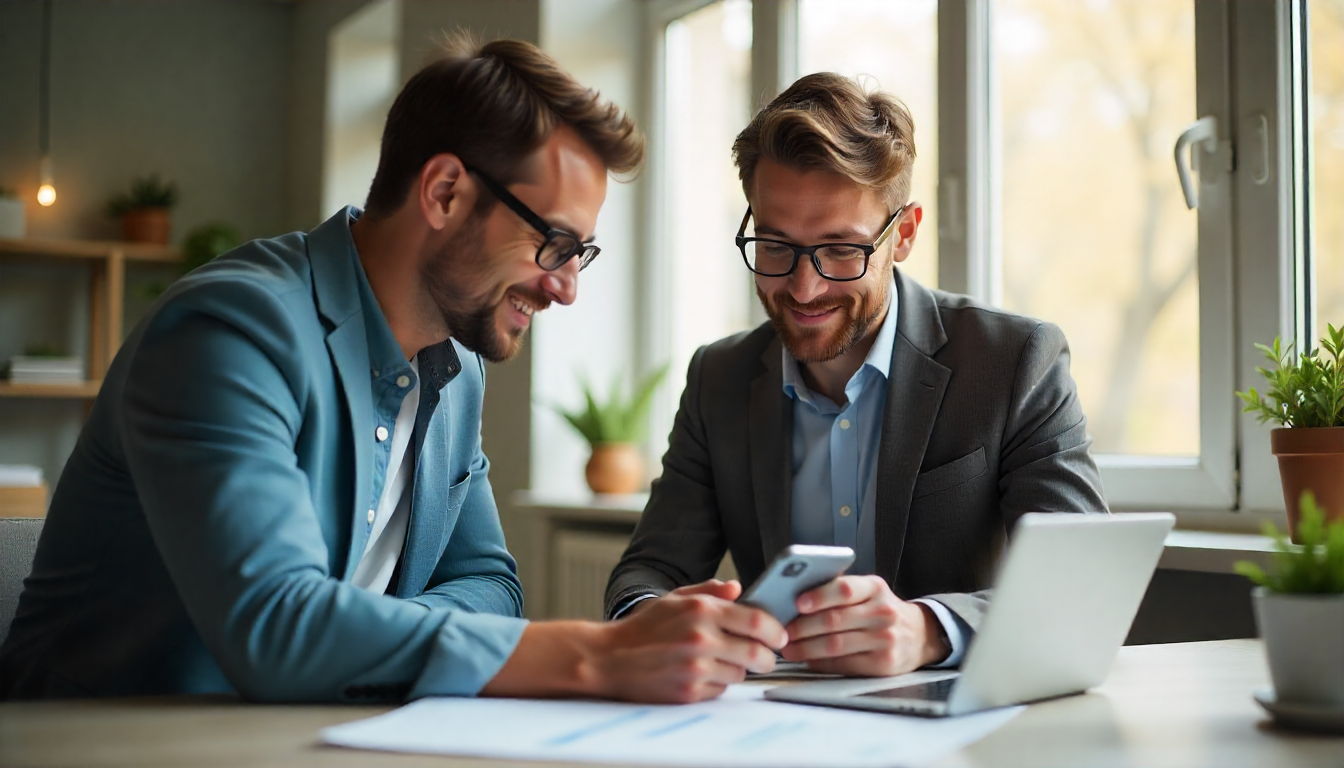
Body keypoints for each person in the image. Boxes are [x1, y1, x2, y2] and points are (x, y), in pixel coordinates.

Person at [0, 37, 785, 705]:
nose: (566, 287)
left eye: (581, 254)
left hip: (312, 733)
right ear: (444, 191)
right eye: (555, 245)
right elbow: (275, 624)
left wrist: (341, 630)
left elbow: (492, 587)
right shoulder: (231, 331)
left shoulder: (456, 375)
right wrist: (601, 653)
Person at [606, 72, 1108, 676]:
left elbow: (1079, 587)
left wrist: (926, 631)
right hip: (771, 722)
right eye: (775, 244)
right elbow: (650, 569)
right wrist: (651, 620)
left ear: (905, 234)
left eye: (841, 249)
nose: (803, 286)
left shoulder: (1015, 360)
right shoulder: (719, 377)